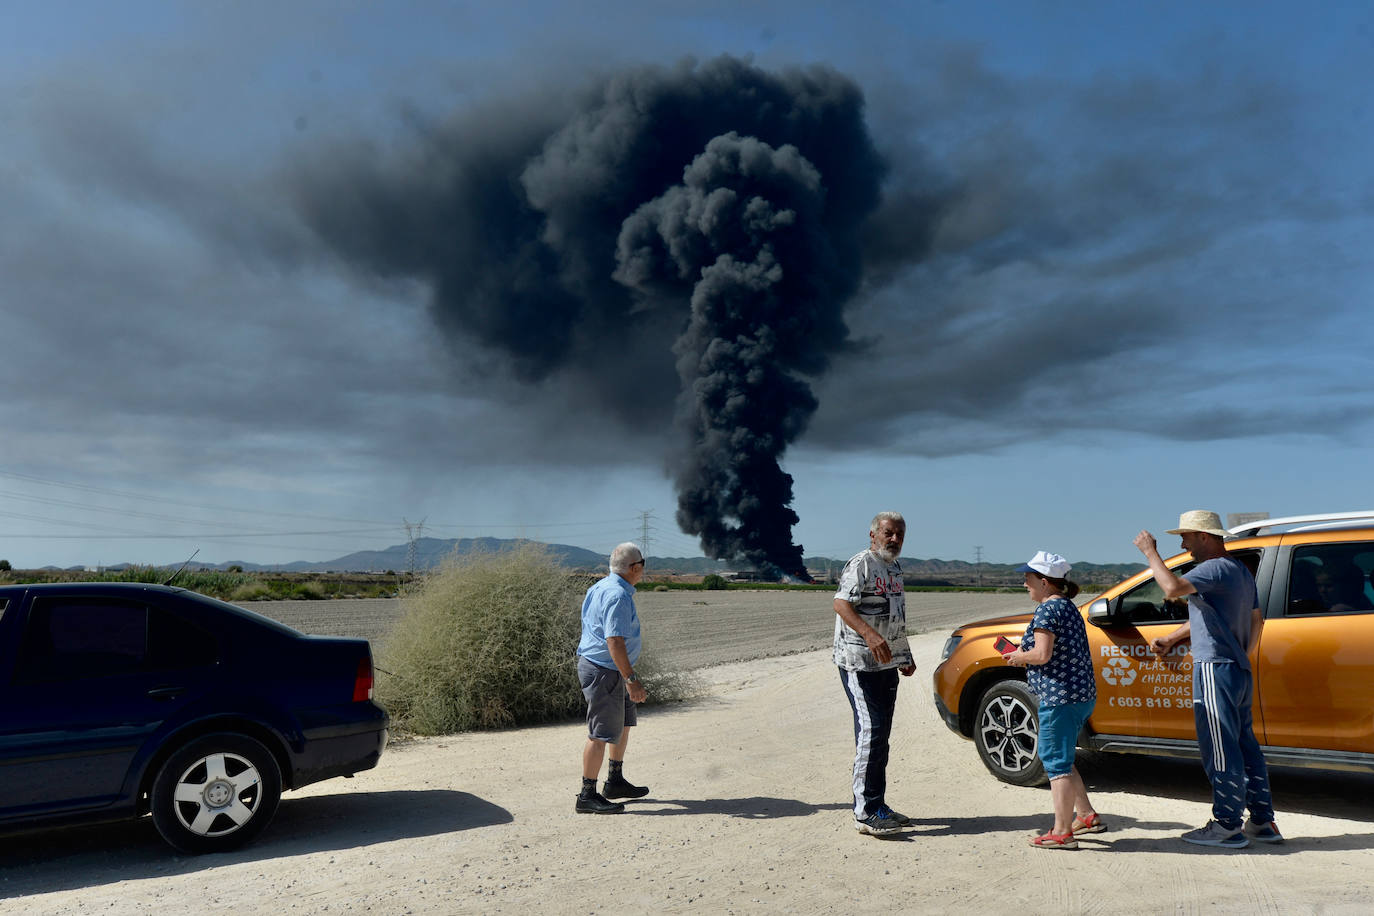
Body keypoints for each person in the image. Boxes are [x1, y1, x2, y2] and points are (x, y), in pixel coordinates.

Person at [1133, 510, 1283, 847]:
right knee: (1245, 745)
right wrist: (1175, 638)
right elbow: (1254, 621)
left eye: (1186, 536)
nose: (1183, 543)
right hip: (1236, 668)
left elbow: (1171, 587)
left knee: (1219, 747)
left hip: (1216, 668)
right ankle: (1262, 821)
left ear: (1205, 536)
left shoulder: (1212, 568)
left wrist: (1149, 552)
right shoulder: (1239, 572)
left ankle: (1227, 825)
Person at [1002, 551, 1103, 849]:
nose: (1025, 584)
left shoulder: (1047, 611)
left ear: (1044, 582)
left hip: (1058, 697)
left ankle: (1061, 832)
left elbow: (1042, 655)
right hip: (1080, 694)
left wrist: (1019, 656)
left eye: (1028, 579)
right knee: (1064, 757)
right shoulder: (1067, 606)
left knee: (1055, 762)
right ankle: (1085, 815)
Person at [833, 511, 916, 837]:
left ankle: (878, 805)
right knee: (871, 733)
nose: (894, 539)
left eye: (899, 534)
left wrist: (904, 654)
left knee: (881, 737)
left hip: (887, 664)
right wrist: (869, 635)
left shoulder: (894, 568)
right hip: (859, 664)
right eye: (888, 533)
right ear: (873, 535)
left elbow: (896, 615)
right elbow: (841, 604)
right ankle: (865, 812)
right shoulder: (861, 564)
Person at [574, 542, 651, 814]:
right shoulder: (617, 595)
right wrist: (631, 679)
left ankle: (615, 781)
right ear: (634, 568)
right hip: (606, 670)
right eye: (643, 564)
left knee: (623, 724)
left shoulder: (599, 587)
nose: (643, 569)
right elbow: (614, 641)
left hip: (612, 669)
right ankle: (587, 795)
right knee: (600, 734)